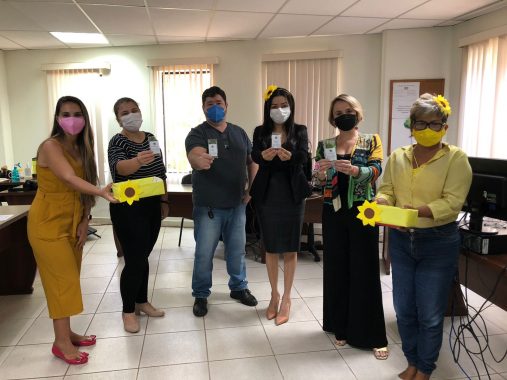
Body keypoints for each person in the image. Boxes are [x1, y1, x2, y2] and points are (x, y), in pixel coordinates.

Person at [376, 94, 472, 380]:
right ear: (412, 125)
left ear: (444, 126)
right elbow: (388, 189)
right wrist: (382, 202)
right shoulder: (398, 157)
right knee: (404, 309)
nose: (428, 128)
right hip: (403, 241)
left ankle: (425, 370)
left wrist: (421, 211)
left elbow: (453, 202)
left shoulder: (456, 158)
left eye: (435, 123)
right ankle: (412, 362)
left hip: (438, 241)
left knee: (430, 315)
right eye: (421, 123)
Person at [27, 96, 117, 364]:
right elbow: (68, 177)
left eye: (77, 114)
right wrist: (101, 191)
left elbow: (81, 187)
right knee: (61, 282)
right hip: (47, 223)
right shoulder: (50, 146)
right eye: (65, 114)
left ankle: (66, 332)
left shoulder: (82, 148)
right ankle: (61, 343)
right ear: (57, 118)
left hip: (72, 220)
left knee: (68, 280)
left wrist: (85, 220)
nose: (72, 119)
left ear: (84, 118)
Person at [314, 94, 388, 359]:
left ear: (357, 113)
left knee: (365, 268)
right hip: (332, 211)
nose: (344, 114)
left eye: (349, 109)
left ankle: (372, 334)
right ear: (332, 117)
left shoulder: (372, 140)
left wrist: (357, 171)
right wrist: (321, 173)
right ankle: (340, 327)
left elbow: (377, 169)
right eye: (338, 111)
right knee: (337, 268)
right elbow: (319, 179)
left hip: (362, 211)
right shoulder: (325, 145)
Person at [185, 86, 258, 317]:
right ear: (203, 108)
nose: (215, 107)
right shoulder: (197, 133)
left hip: (237, 205)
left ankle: (238, 288)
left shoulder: (239, 133)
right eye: (209, 104)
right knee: (204, 253)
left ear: (226, 105)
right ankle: (201, 294)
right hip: (209, 207)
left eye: (218, 102)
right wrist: (200, 160)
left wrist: (251, 189)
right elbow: (194, 155)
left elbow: (252, 161)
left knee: (236, 251)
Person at [250, 86, 311, 325]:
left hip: (292, 195)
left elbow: (304, 156)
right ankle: (273, 295)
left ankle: (287, 298)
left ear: (291, 107)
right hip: (267, 195)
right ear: (268, 109)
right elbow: (254, 154)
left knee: (290, 247)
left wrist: (291, 155)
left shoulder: (300, 130)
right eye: (274, 106)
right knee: (271, 247)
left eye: (283, 105)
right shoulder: (260, 131)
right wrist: (262, 156)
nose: (279, 110)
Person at [108, 97, 169, 333]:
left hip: (152, 204)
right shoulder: (117, 141)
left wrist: (164, 199)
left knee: (143, 256)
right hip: (128, 206)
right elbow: (119, 169)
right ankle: (128, 311)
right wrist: (136, 161)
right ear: (118, 118)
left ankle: (142, 302)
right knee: (133, 259)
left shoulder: (151, 138)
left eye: (135, 110)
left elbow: (160, 169)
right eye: (125, 112)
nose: (131, 115)